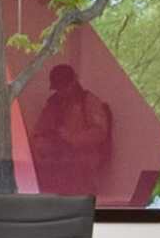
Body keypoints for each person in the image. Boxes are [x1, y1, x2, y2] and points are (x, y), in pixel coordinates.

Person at [26, 60, 114, 199]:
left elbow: (100, 133)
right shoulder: (53, 103)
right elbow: (39, 131)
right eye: (58, 88)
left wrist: (72, 138)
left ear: (73, 82)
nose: (61, 91)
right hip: (56, 162)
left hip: (82, 165)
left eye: (64, 86)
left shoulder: (89, 101)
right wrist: (42, 145)